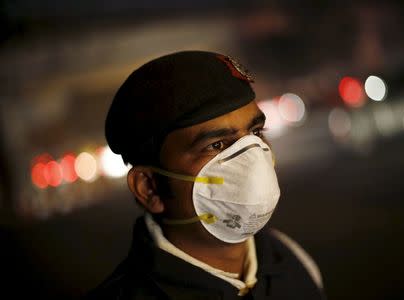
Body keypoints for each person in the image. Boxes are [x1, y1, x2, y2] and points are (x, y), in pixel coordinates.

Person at [86, 50, 325, 299]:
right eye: (217, 145)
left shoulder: (292, 260)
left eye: (256, 132)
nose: (252, 158)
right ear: (149, 188)